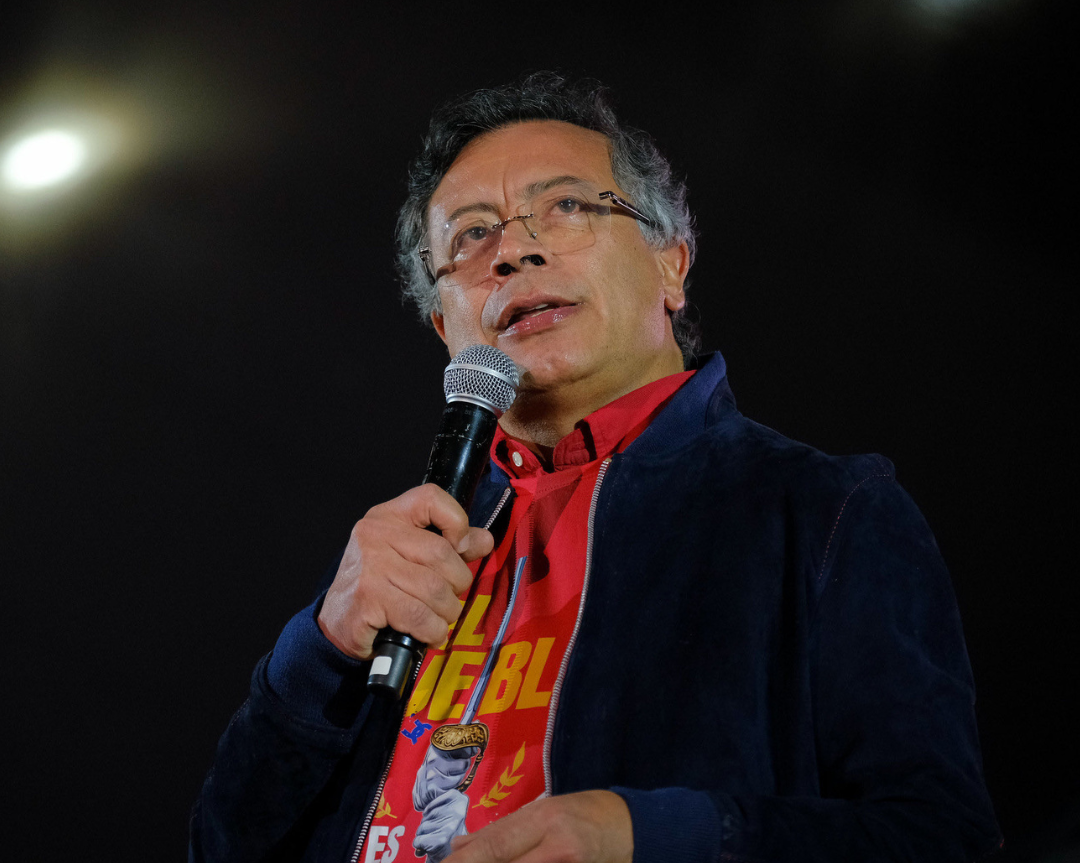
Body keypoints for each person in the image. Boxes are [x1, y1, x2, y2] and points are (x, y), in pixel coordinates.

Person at [190, 72, 1001, 863]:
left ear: (670, 265)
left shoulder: (822, 511)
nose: (513, 251)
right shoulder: (406, 556)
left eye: (568, 207)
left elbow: (940, 836)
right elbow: (222, 846)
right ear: (445, 329)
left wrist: (655, 837)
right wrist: (321, 645)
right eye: (470, 236)